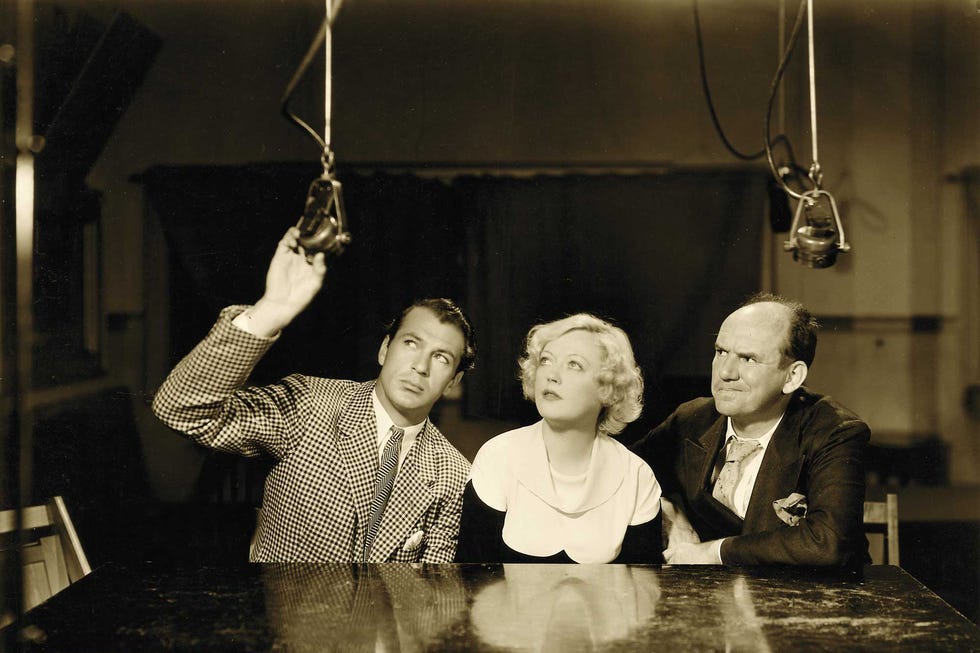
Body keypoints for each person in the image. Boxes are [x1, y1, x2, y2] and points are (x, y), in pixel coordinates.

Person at [152, 227, 475, 562]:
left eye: (441, 358)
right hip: (280, 613)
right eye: (411, 343)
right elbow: (179, 408)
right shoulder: (310, 404)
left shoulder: (453, 473)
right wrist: (269, 311)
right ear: (384, 350)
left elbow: (435, 594)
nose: (420, 366)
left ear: (453, 381)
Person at [631, 292, 869, 567]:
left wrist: (712, 553)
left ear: (792, 376)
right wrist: (668, 511)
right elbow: (623, 473)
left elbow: (827, 543)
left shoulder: (835, 432)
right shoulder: (692, 419)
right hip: (704, 602)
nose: (725, 372)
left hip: (807, 602)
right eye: (721, 352)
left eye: (749, 359)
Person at [454, 313, 663, 564]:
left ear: (608, 388)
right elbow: (471, 584)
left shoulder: (637, 478)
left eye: (574, 364)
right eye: (545, 360)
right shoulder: (498, 457)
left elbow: (640, 594)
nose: (551, 375)